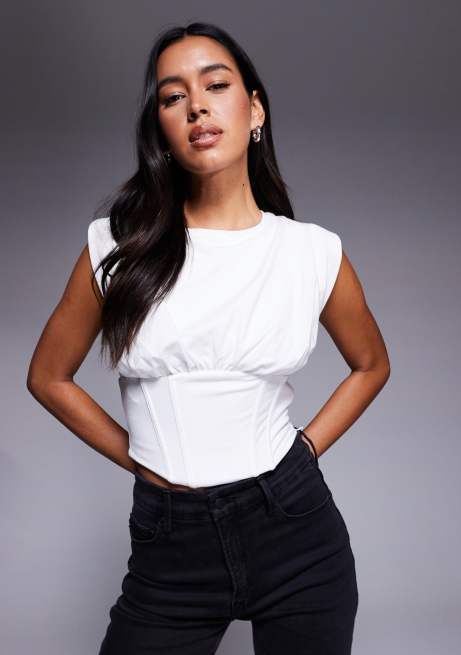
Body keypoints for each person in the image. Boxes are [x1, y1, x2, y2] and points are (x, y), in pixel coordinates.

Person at [27, 21, 390, 655]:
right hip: (171, 544)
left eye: (216, 85)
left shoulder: (310, 252)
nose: (196, 105)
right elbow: (47, 377)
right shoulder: (116, 247)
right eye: (173, 96)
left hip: (297, 533)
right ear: (163, 129)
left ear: (255, 110)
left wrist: (304, 452)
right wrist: (140, 460)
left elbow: (371, 365)